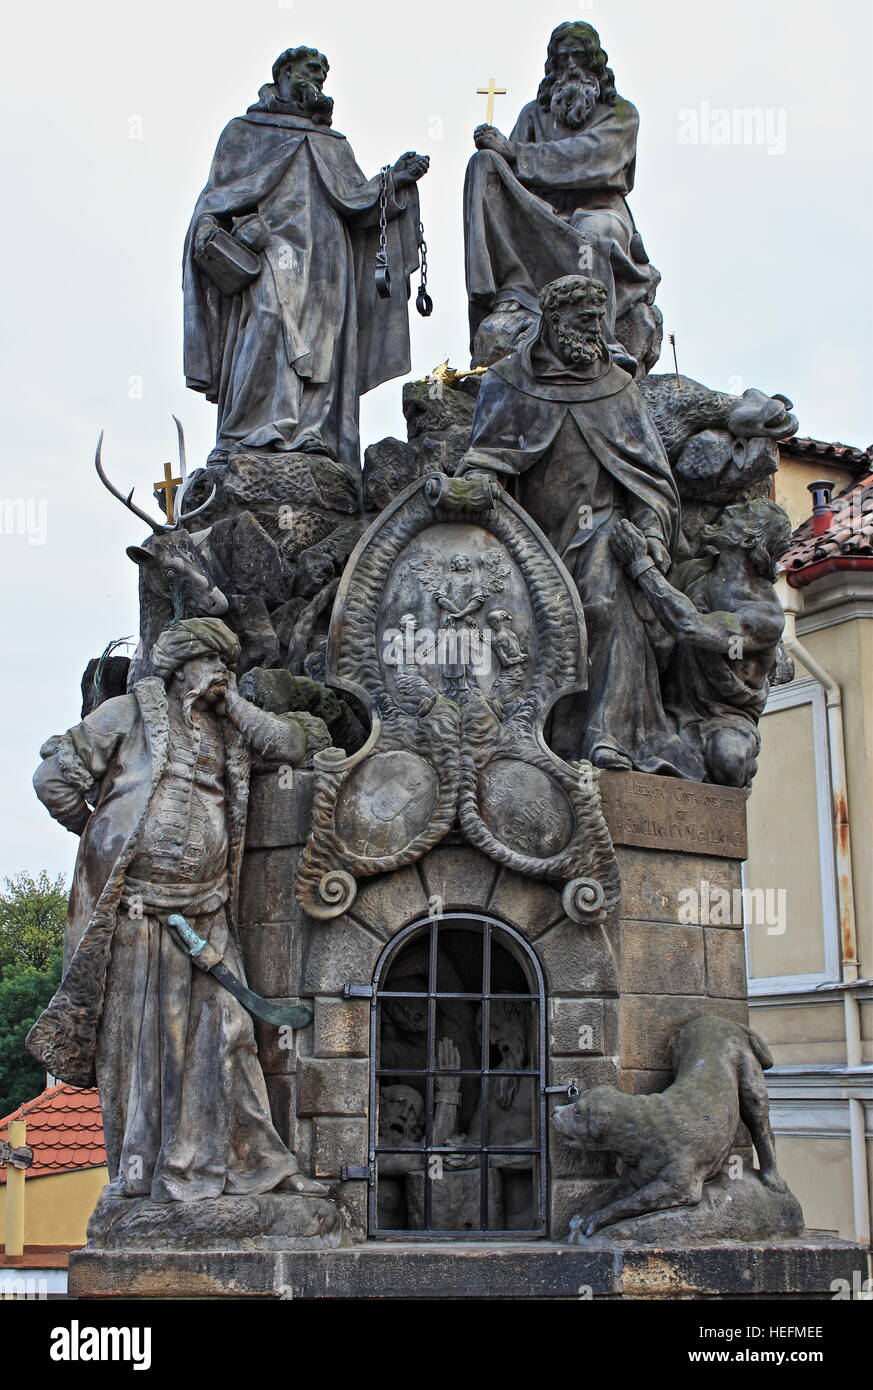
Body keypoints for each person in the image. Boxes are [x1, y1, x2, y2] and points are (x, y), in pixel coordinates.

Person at [27, 618, 330, 1201]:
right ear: (181, 664)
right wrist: (101, 838)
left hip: (207, 909)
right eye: (213, 662)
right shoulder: (127, 716)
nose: (222, 674)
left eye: (228, 665)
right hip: (137, 911)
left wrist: (233, 703)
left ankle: (253, 1167)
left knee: (231, 1032)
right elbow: (52, 779)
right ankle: (151, 1177)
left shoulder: (229, 729)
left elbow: (290, 746)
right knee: (145, 1045)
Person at [184, 45, 429, 467]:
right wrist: (209, 227)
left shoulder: (333, 143)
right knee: (267, 321)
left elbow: (358, 202)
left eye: (322, 73)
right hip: (269, 248)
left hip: (329, 256)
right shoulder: (245, 131)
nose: (317, 78)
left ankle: (314, 433)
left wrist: (395, 180)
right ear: (284, 72)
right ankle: (248, 431)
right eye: (309, 69)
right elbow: (217, 196)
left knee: (325, 341)